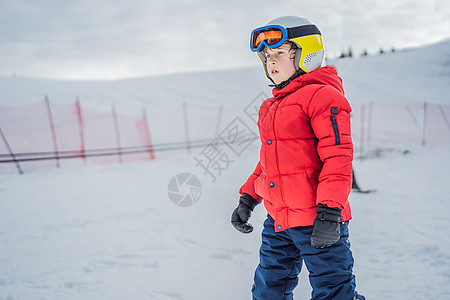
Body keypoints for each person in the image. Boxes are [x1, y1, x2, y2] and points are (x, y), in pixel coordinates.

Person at [231, 16, 365, 300]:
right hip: (278, 220)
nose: (271, 62)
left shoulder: (323, 96)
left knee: (334, 291)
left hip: (318, 218)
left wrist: (330, 210)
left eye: (279, 53)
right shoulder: (271, 106)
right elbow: (270, 161)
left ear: (306, 53)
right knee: (268, 290)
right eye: (266, 56)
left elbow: (338, 157)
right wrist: (248, 198)